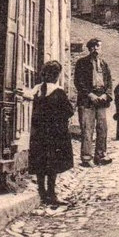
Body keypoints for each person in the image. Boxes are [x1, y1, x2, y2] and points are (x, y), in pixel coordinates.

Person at [28, 60, 74, 207]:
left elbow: (30, 101)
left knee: (40, 161)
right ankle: (52, 193)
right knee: (53, 163)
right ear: (57, 75)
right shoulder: (59, 91)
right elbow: (69, 111)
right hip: (54, 132)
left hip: (39, 131)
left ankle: (42, 192)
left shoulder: (37, 89)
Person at [73, 38, 112, 167]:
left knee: (102, 129)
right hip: (87, 101)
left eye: (98, 47)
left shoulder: (104, 64)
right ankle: (86, 157)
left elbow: (109, 82)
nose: (96, 50)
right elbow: (79, 82)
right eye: (93, 47)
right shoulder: (82, 63)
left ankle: (100, 155)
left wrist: (106, 95)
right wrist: (90, 95)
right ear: (89, 49)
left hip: (101, 101)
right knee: (87, 129)